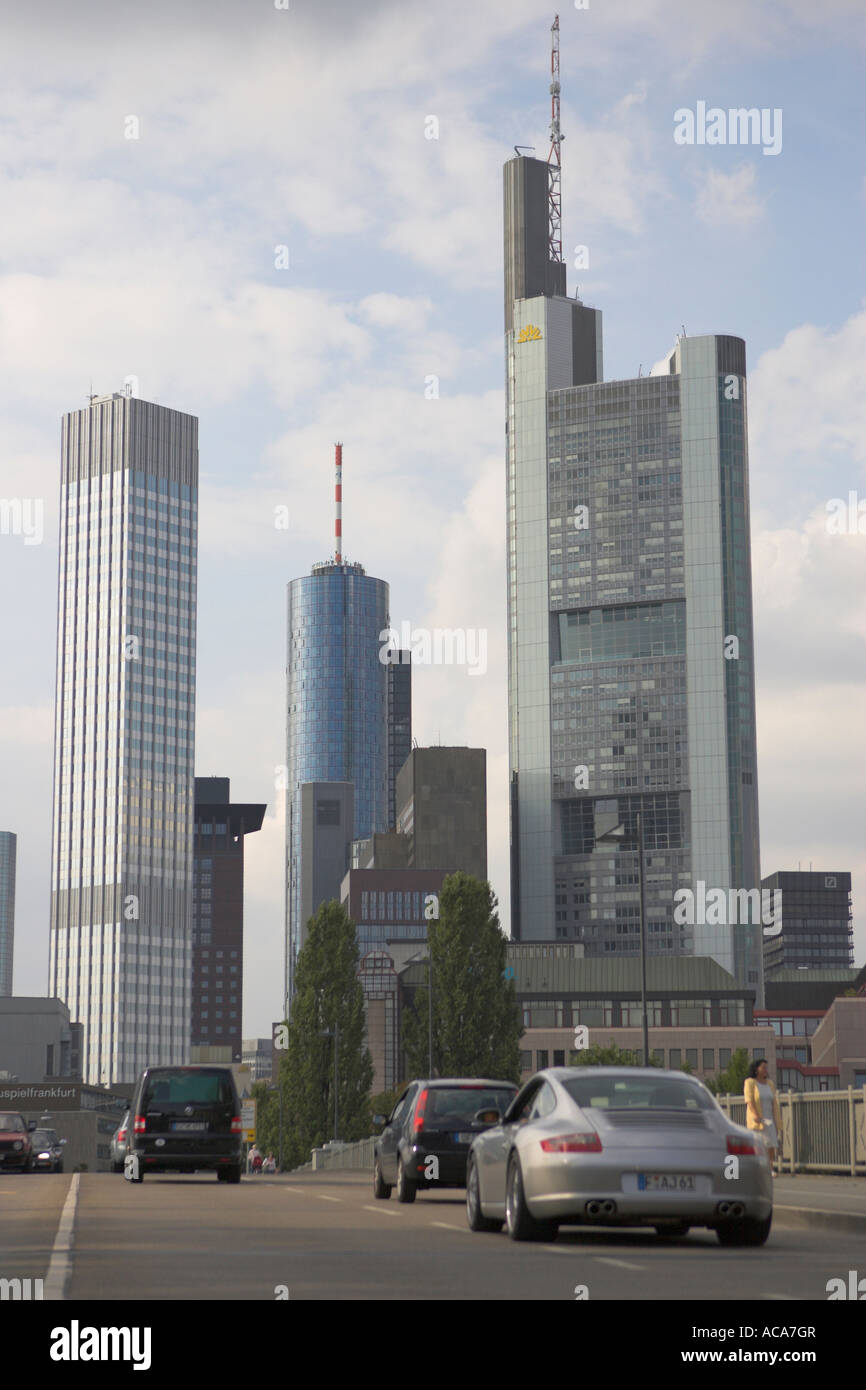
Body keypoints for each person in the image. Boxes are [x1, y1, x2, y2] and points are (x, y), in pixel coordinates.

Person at [744, 1059, 782, 1175]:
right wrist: (755, 1114)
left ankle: (770, 1168)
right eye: (763, 1067)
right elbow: (749, 1100)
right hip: (758, 1119)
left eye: (766, 1067)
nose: (766, 1070)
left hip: (769, 1117)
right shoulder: (750, 1082)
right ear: (756, 1069)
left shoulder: (770, 1083)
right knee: (760, 1145)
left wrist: (777, 1118)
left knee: (770, 1145)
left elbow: (773, 1100)